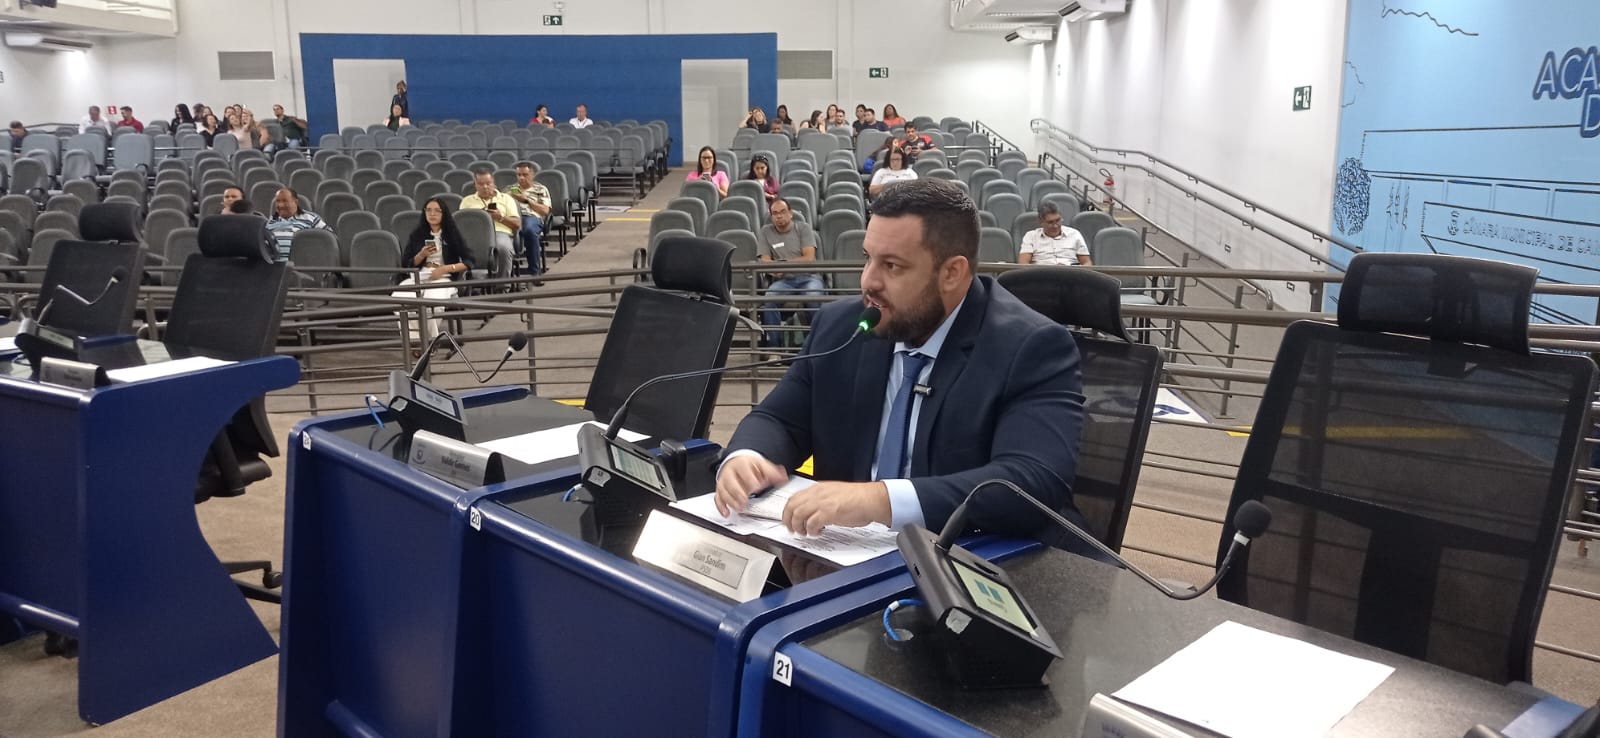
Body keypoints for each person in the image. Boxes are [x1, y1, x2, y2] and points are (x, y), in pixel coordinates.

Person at [714, 178, 1086, 546]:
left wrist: (879, 500)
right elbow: (778, 418)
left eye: (892, 266)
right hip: (841, 555)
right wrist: (748, 457)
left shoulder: (1030, 346)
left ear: (951, 273)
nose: (868, 282)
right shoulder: (840, 326)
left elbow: (1033, 481)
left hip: (967, 561)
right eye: (868, 258)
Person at [395, 196, 474, 343]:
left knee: (431, 305)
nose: (432, 214)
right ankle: (415, 342)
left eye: (437, 211)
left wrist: (445, 269)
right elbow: (406, 264)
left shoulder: (452, 234)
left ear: (444, 214)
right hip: (420, 275)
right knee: (400, 299)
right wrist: (421, 255)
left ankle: (429, 343)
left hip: (443, 277)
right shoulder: (417, 234)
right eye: (429, 210)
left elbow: (470, 262)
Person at [756, 197, 824, 346]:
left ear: (791, 213)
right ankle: (775, 348)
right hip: (783, 281)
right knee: (769, 298)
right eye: (775, 213)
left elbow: (809, 258)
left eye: (783, 212)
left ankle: (817, 345)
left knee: (813, 295)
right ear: (771, 216)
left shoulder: (803, 228)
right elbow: (764, 261)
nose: (779, 216)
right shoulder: (766, 231)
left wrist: (783, 264)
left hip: (809, 277)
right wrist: (774, 270)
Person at [459, 169, 519, 278]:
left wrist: (500, 217)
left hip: (499, 232)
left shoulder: (506, 199)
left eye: (488, 183)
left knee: (503, 248)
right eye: (481, 184)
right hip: (475, 235)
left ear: (493, 183)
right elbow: (462, 223)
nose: (485, 187)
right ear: (475, 185)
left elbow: (517, 224)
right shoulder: (467, 201)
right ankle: (467, 285)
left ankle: (502, 287)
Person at [265, 188, 333, 263]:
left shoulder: (310, 218)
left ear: (296, 202)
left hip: (302, 266)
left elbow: (329, 239)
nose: (280, 205)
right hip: (274, 267)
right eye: (278, 201)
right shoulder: (269, 222)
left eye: (285, 201)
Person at [507, 161, 552, 275]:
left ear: (532, 175)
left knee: (529, 231)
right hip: (512, 216)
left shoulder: (540, 189)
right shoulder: (510, 189)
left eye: (525, 175)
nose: (521, 178)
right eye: (519, 175)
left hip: (531, 217)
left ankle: (534, 272)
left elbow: (545, 210)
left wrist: (526, 200)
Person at [1017, 201, 1092, 266]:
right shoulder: (1031, 236)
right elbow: (1023, 263)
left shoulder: (1074, 234)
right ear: (1041, 222)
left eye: (1058, 220)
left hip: (1070, 276)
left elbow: (1087, 263)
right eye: (1050, 222)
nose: (1055, 226)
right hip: (1041, 276)